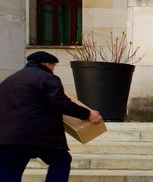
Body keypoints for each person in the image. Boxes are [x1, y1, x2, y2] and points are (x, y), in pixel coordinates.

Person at [0, 51, 102, 182]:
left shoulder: (9, 80)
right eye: (53, 66)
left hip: (7, 137)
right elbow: (62, 103)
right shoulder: (47, 78)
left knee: (9, 172)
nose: (53, 69)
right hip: (38, 134)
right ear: (47, 64)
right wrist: (88, 114)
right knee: (61, 160)